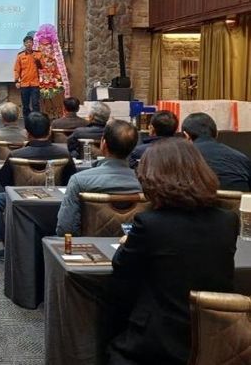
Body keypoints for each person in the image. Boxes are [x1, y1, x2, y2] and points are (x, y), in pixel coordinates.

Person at [107, 138, 239, 365]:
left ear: (152, 179)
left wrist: (127, 242)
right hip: (215, 338)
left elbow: (121, 269)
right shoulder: (228, 221)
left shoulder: (149, 224)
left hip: (157, 342)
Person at [0, 112, 75, 261]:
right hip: (57, 203)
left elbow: (4, 181)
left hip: (21, 203)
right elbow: (70, 180)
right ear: (49, 131)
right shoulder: (64, 153)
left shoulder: (16, 155)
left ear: (27, 133)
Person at [56, 120, 141, 236]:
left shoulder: (78, 181)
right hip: (133, 246)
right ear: (133, 148)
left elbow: (66, 229)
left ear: (103, 144)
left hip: (88, 245)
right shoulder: (146, 183)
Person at [182, 112, 251, 191]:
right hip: (238, 198)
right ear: (217, 134)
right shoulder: (242, 158)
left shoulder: (181, 158)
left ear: (186, 136)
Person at [13, 35, 44, 118]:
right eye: (27, 42)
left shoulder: (38, 54)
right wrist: (17, 81)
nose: (29, 44)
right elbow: (16, 70)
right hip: (24, 84)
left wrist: (37, 60)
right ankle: (27, 121)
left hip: (35, 84)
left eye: (30, 42)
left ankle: (36, 120)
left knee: (35, 104)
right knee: (25, 105)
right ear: (24, 44)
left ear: (33, 43)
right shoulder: (20, 55)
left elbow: (42, 67)